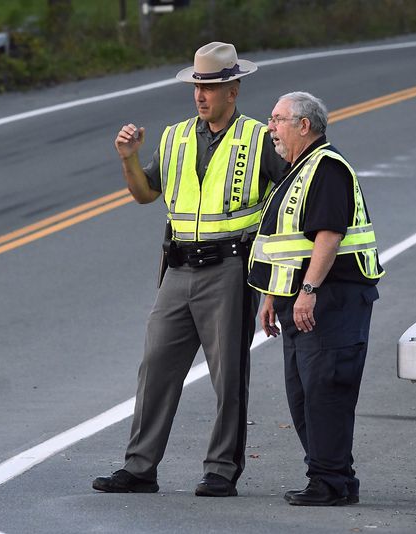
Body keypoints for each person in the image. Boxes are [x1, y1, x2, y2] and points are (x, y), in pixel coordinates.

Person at [92, 42, 289, 497]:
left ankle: (221, 469)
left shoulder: (259, 138)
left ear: (233, 89)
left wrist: (278, 274)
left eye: (211, 87)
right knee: (155, 367)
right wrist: (127, 158)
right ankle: (140, 468)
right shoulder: (175, 136)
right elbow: (146, 194)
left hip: (230, 268)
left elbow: (291, 197)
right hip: (177, 269)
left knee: (228, 374)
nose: (201, 95)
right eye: (197, 85)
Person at [248, 92, 384, 506]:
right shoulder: (298, 170)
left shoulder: (325, 167)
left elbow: (328, 235)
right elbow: (287, 243)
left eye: (277, 120)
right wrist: (273, 296)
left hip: (331, 300)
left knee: (326, 391)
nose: (270, 127)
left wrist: (307, 292)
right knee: (304, 394)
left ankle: (330, 482)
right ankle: (330, 477)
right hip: (299, 300)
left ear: (303, 125)